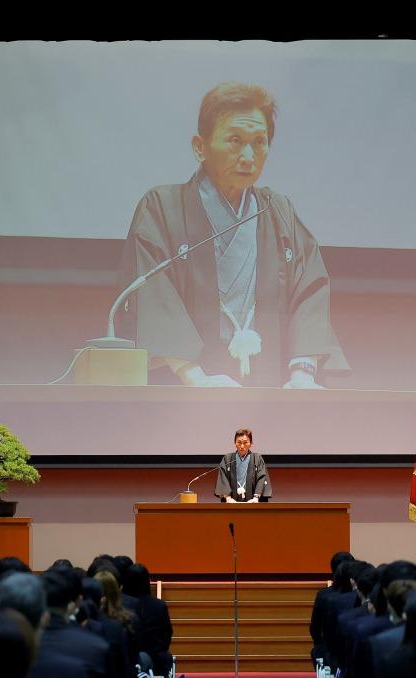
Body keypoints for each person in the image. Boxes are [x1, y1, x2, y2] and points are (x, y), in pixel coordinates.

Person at [114, 81, 351, 388]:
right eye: (235, 140)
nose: (248, 156)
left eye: (259, 142)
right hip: (185, 389)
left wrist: (302, 375)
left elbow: (309, 290)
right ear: (200, 147)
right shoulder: (162, 207)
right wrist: (195, 377)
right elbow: (154, 296)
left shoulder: (278, 211)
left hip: (269, 386)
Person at [215, 428, 271, 502]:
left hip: (253, 501)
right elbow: (223, 480)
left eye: (245, 442)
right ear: (235, 443)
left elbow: (262, 478)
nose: (242, 446)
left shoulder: (257, 458)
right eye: (239, 442)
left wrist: (256, 498)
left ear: (251, 443)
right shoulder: (227, 459)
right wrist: (228, 498)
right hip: (231, 502)